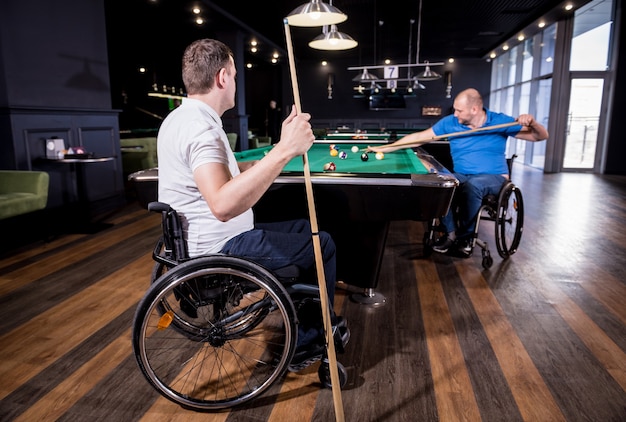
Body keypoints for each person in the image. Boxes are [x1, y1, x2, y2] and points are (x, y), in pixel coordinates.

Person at [157, 38, 346, 370]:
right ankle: (310, 340)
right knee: (323, 245)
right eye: (235, 75)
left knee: (304, 228)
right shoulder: (202, 129)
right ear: (222, 77)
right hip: (222, 247)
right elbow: (223, 204)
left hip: (204, 241)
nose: (235, 84)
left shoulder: (181, 118)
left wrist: (278, 154)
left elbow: (219, 175)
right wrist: (283, 151)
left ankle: (304, 312)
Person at [370, 88, 549, 257]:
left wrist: (533, 123)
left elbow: (539, 136)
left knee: (474, 185)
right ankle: (451, 234)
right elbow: (418, 137)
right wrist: (386, 148)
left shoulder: (500, 121)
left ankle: (466, 239)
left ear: (474, 109)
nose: (455, 114)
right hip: (463, 175)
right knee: (440, 182)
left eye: (459, 110)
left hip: (494, 178)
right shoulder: (450, 123)